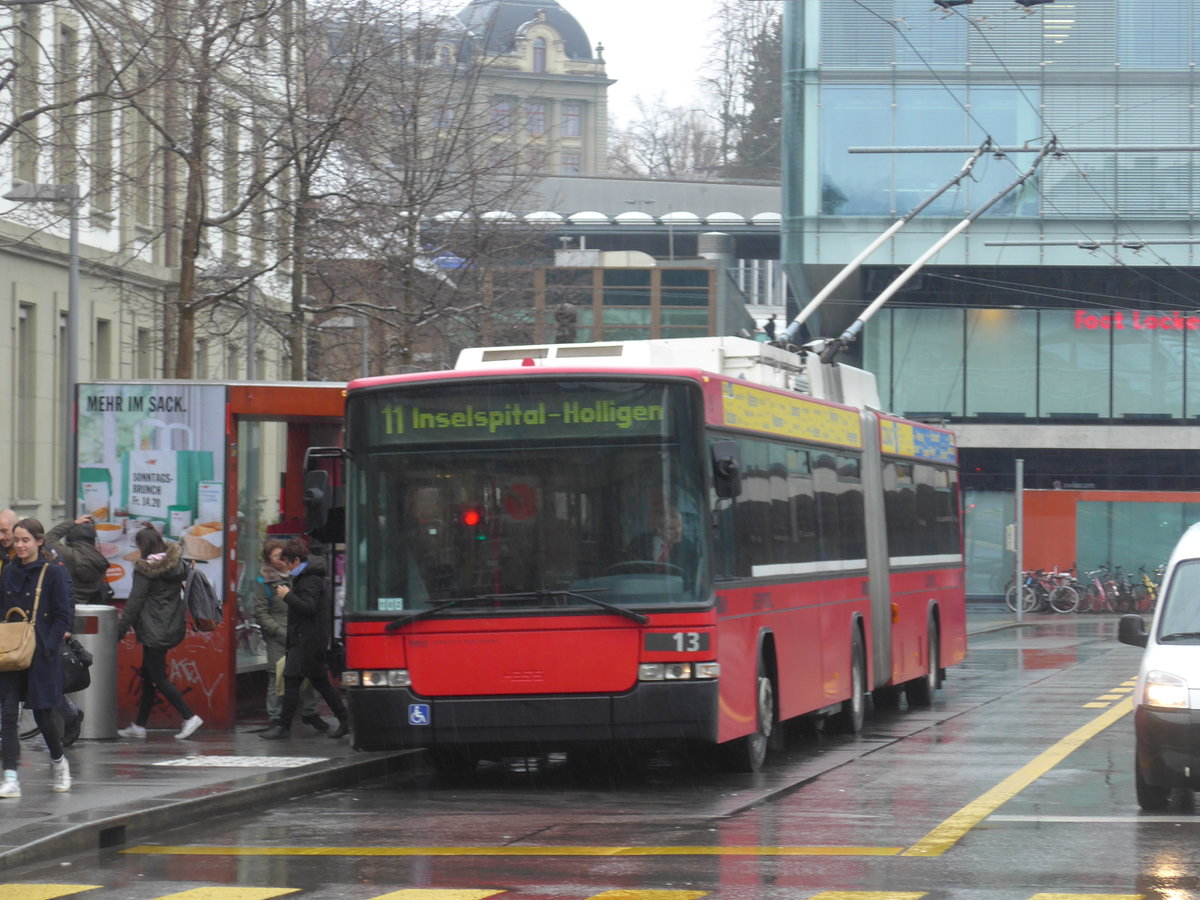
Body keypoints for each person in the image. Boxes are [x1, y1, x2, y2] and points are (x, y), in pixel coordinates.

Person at [0, 518, 74, 798]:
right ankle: (10, 777)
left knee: (43, 715)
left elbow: (63, 615)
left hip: (41, 653)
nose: (20, 545)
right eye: (17, 540)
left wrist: (49, 647)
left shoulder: (51, 573)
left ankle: (59, 762)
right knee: (8, 715)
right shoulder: (8, 572)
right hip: (10, 653)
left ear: (39, 541)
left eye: (25, 540)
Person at [115, 526, 203, 741]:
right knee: (148, 676)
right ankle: (140, 725)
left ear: (143, 547)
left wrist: (118, 632)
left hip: (155, 629)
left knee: (158, 677)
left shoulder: (146, 570)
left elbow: (134, 603)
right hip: (171, 625)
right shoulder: (178, 564)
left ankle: (190, 716)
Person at [260, 539, 349, 741]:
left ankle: (283, 727)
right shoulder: (307, 576)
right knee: (321, 683)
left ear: (297, 560)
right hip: (308, 641)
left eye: (288, 563)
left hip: (307, 641)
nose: (287, 567)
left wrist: (288, 596)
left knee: (291, 681)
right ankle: (345, 721)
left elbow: (308, 608)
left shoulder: (309, 580)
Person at [249, 539, 327, 733]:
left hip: (300, 633)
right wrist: (279, 631)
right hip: (278, 636)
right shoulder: (263, 580)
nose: (280, 560)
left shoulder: (299, 575)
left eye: (282, 556)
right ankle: (276, 718)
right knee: (277, 677)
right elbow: (261, 611)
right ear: (268, 559)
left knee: (308, 675)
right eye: (275, 556)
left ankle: (310, 713)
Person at [46, 515, 110, 746]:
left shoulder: (68, 556)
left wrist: (72, 522)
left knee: (47, 677)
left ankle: (70, 715)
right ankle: (70, 715)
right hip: (76, 617)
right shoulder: (98, 560)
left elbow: (48, 538)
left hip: (61, 619)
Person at [624, 503, 701, 584]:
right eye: (671, 528)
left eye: (680, 525)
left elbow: (694, 580)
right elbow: (626, 572)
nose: (678, 532)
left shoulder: (689, 549)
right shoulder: (638, 543)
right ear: (658, 529)